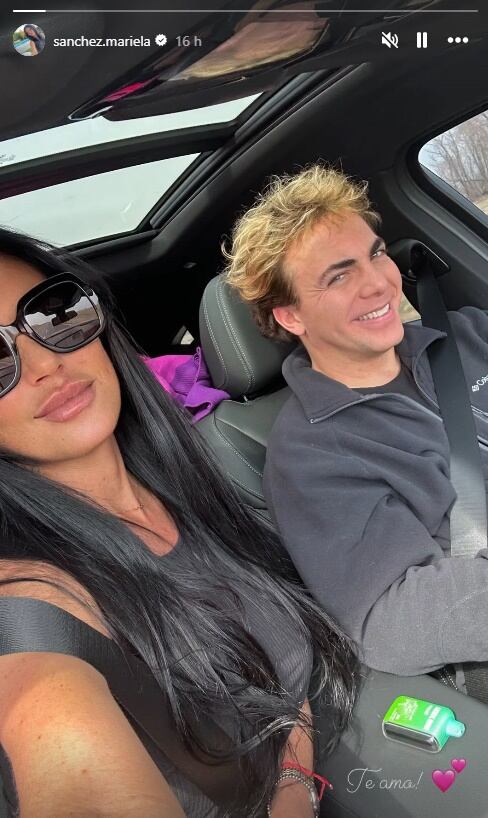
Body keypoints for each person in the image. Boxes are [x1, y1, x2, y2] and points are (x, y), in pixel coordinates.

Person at [0, 227, 358, 818]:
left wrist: (295, 782)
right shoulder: (31, 604)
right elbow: (44, 711)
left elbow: (276, 667)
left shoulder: (184, 476)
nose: (45, 363)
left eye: (55, 314)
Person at [224, 163, 488, 691]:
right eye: (339, 276)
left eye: (376, 253)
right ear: (291, 317)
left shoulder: (468, 333)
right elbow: (390, 617)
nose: (378, 283)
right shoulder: (312, 456)